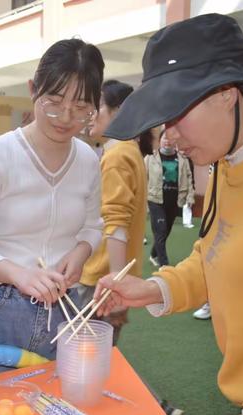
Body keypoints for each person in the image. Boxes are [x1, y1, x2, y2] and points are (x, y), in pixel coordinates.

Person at [94, 14, 243, 415]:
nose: (168, 136)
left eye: (176, 113)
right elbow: (213, 254)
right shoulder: (228, 165)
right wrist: (153, 289)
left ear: (227, 93)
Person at [0, 38, 104, 379]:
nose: (65, 117)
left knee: (56, 413)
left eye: (81, 108)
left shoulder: (87, 160)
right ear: (34, 89)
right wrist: (19, 274)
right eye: (54, 101)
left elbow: (94, 226)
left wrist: (80, 252)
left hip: (65, 309)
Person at [78, 79, 152, 345]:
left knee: (87, 354)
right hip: (112, 276)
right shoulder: (129, 151)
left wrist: (114, 284)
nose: (89, 114)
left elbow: (116, 224)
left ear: (118, 112)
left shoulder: (118, 155)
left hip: (102, 279)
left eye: (97, 106)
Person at [145, 129, 195, 267]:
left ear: (175, 142)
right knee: (160, 231)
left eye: (170, 139)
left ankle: (154, 254)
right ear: (160, 141)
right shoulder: (150, 158)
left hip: (174, 200)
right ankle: (164, 265)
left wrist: (190, 197)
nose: (167, 141)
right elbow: (142, 178)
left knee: (165, 232)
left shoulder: (183, 160)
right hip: (155, 200)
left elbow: (190, 178)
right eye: (164, 139)